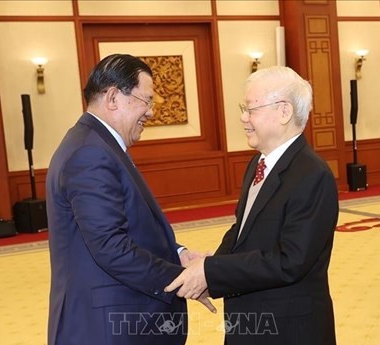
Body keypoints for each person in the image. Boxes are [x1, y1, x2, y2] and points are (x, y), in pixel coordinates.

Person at [46, 53, 214, 345]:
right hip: (107, 328)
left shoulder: (95, 144)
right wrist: (183, 279)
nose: (150, 112)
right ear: (113, 97)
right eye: (146, 100)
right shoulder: (91, 153)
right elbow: (111, 247)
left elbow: (127, 226)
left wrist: (179, 253)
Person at [166, 66, 339, 345]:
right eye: (243, 108)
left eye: (250, 109)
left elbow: (290, 262)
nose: (243, 118)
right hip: (251, 320)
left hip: (288, 329)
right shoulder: (258, 163)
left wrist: (211, 272)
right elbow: (242, 230)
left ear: (283, 112)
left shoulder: (312, 174)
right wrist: (211, 266)